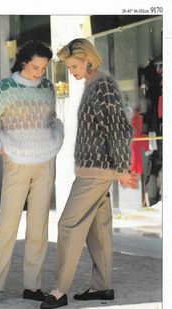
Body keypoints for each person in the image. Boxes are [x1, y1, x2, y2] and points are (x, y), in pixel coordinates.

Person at [40, 38, 139, 309]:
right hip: (95, 169)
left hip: (96, 172)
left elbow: (118, 129)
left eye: (74, 65)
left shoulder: (102, 86)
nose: (71, 71)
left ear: (88, 59)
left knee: (67, 225)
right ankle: (102, 287)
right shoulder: (94, 84)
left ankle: (59, 291)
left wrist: (120, 169)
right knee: (98, 227)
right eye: (69, 66)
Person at [0, 40, 64, 306]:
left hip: (45, 165)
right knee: (7, 226)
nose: (40, 73)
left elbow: (52, 118)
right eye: (35, 67)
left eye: (43, 68)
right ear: (23, 62)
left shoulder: (46, 87)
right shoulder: (4, 88)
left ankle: (33, 287)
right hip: (17, 165)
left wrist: (57, 137)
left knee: (38, 228)